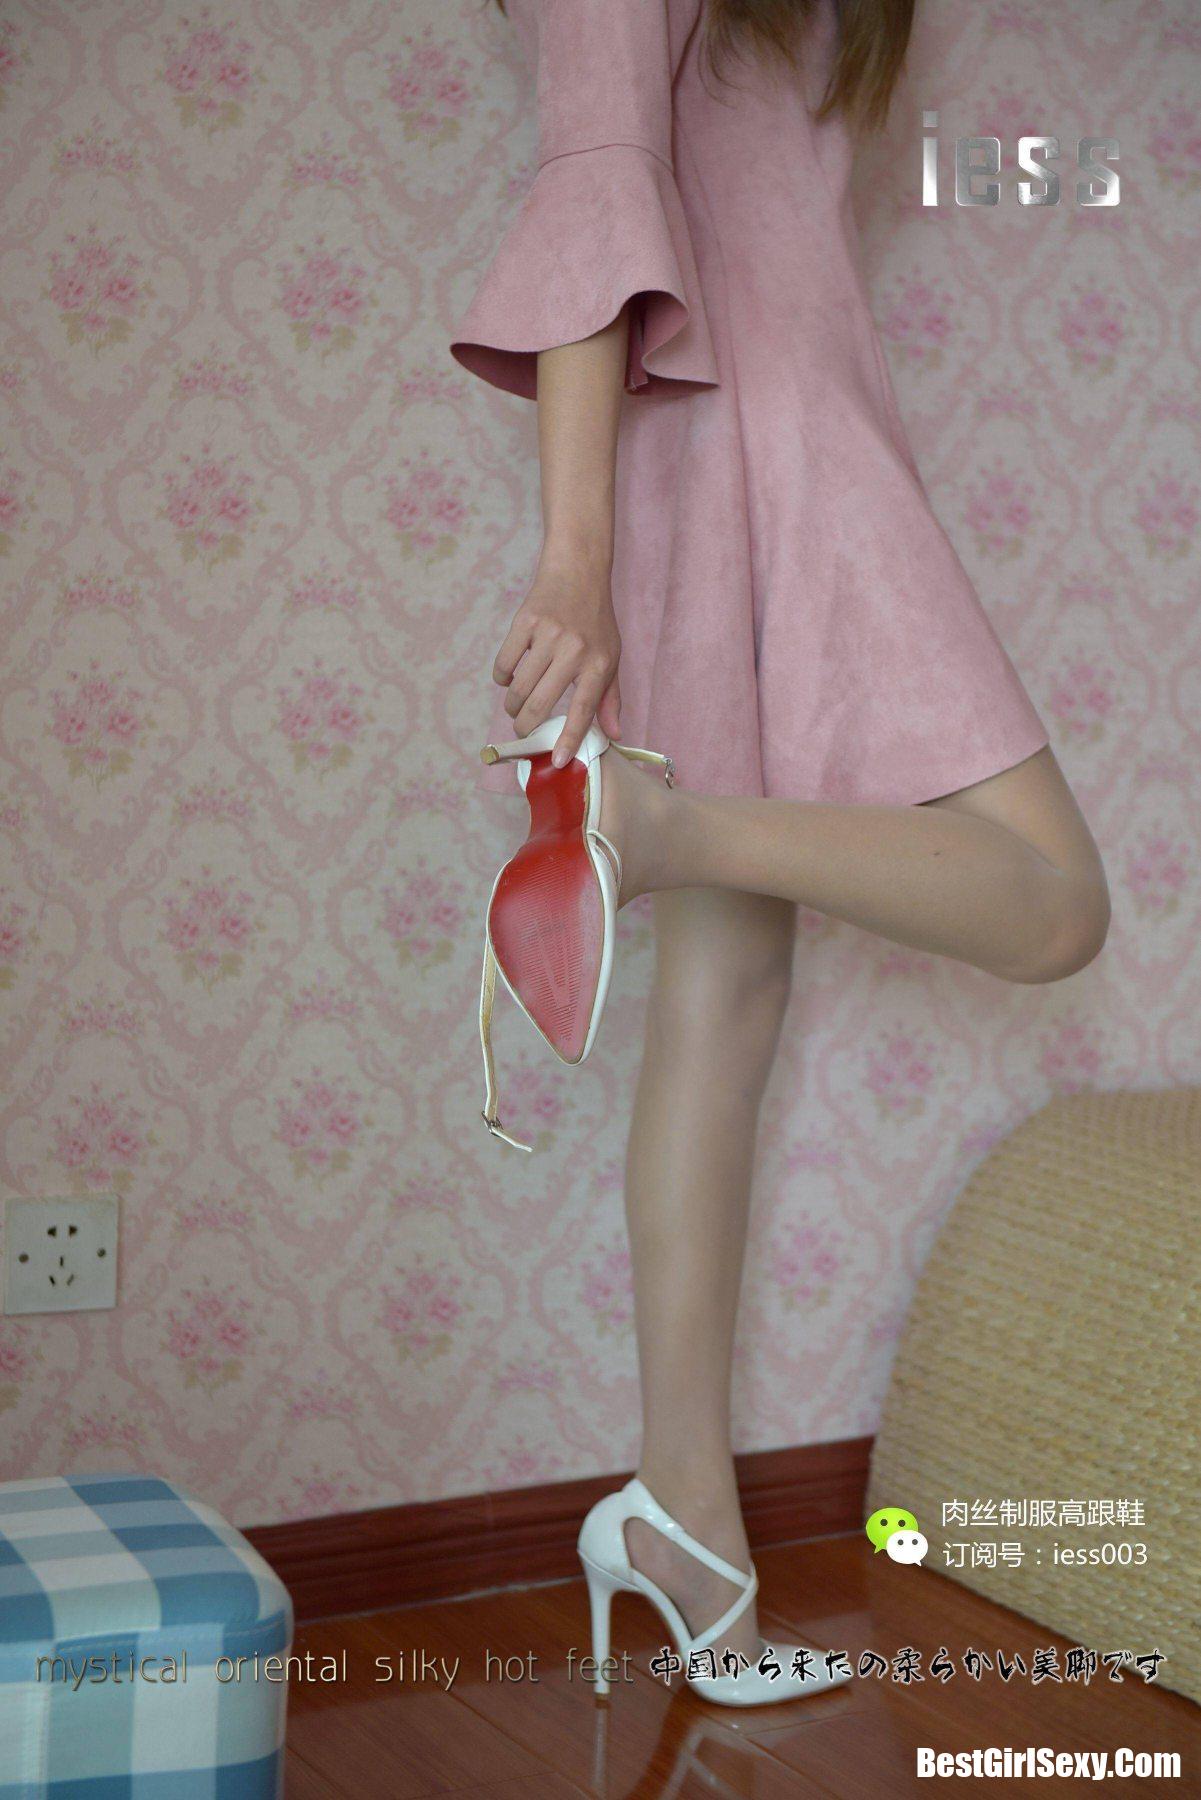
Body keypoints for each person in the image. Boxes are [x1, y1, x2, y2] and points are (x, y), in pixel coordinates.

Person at [448, 0, 1110, 1704]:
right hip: (761, 438)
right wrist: (573, 559)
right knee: (1047, 901)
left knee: (729, 997)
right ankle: (657, 828)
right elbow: (598, 175)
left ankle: (683, 1521)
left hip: (777, 430)